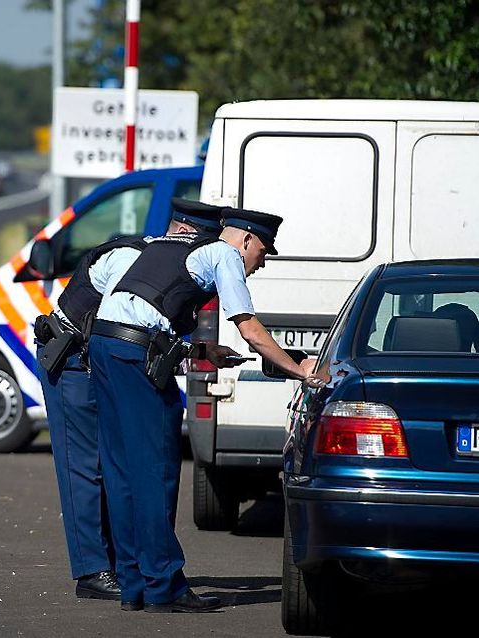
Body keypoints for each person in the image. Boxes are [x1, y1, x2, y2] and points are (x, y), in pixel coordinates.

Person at [88, 204, 318, 613]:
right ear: (245, 239)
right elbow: (249, 327)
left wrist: (204, 350)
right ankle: (164, 588)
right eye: (262, 253)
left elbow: (146, 306)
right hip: (133, 356)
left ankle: (133, 585)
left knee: (122, 469)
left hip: (105, 346)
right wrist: (298, 369)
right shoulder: (224, 253)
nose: (260, 264)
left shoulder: (168, 243)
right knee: (156, 471)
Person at [36, 199, 227, 601]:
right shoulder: (131, 258)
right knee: (85, 468)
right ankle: (92, 571)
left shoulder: (154, 258)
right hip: (73, 360)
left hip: (98, 360)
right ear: (186, 235)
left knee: (115, 464)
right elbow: (127, 324)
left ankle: (128, 566)